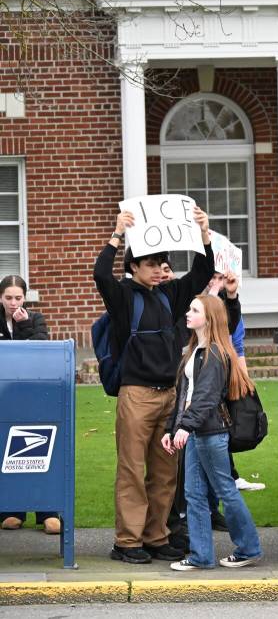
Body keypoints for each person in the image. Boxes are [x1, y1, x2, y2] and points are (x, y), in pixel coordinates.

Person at [94, 207, 214, 564]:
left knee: (165, 474)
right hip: (136, 395)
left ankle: (156, 535)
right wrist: (117, 234)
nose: (160, 269)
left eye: (162, 262)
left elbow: (202, 273)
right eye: (151, 264)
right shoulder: (123, 297)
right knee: (132, 469)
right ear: (133, 267)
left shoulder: (169, 294)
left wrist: (203, 234)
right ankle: (127, 542)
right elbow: (101, 274)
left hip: (170, 397)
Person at [161, 295, 262, 571]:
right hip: (196, 432)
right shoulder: (196, 351)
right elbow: (184, 396)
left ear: (209, 317)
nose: (187, 313)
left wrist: (184, 427)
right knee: (194, 494)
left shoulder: (216, 353)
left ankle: (249, 548)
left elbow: (205, 397)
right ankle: (201, 555)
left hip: (212, 432)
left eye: (195, 310)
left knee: (224, 491)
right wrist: (173, 428)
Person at [0, 274, 60, 535]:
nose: (14, 303)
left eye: (18, 297)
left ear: (25, 297)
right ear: (0, 297)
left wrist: (22, 326)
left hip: (33, 395)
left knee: (37, 450)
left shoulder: (35, 319)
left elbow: (40, 349)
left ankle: (47, 511)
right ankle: (13, 510)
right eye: (8, 298)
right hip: (4, 395)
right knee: (8, 453)